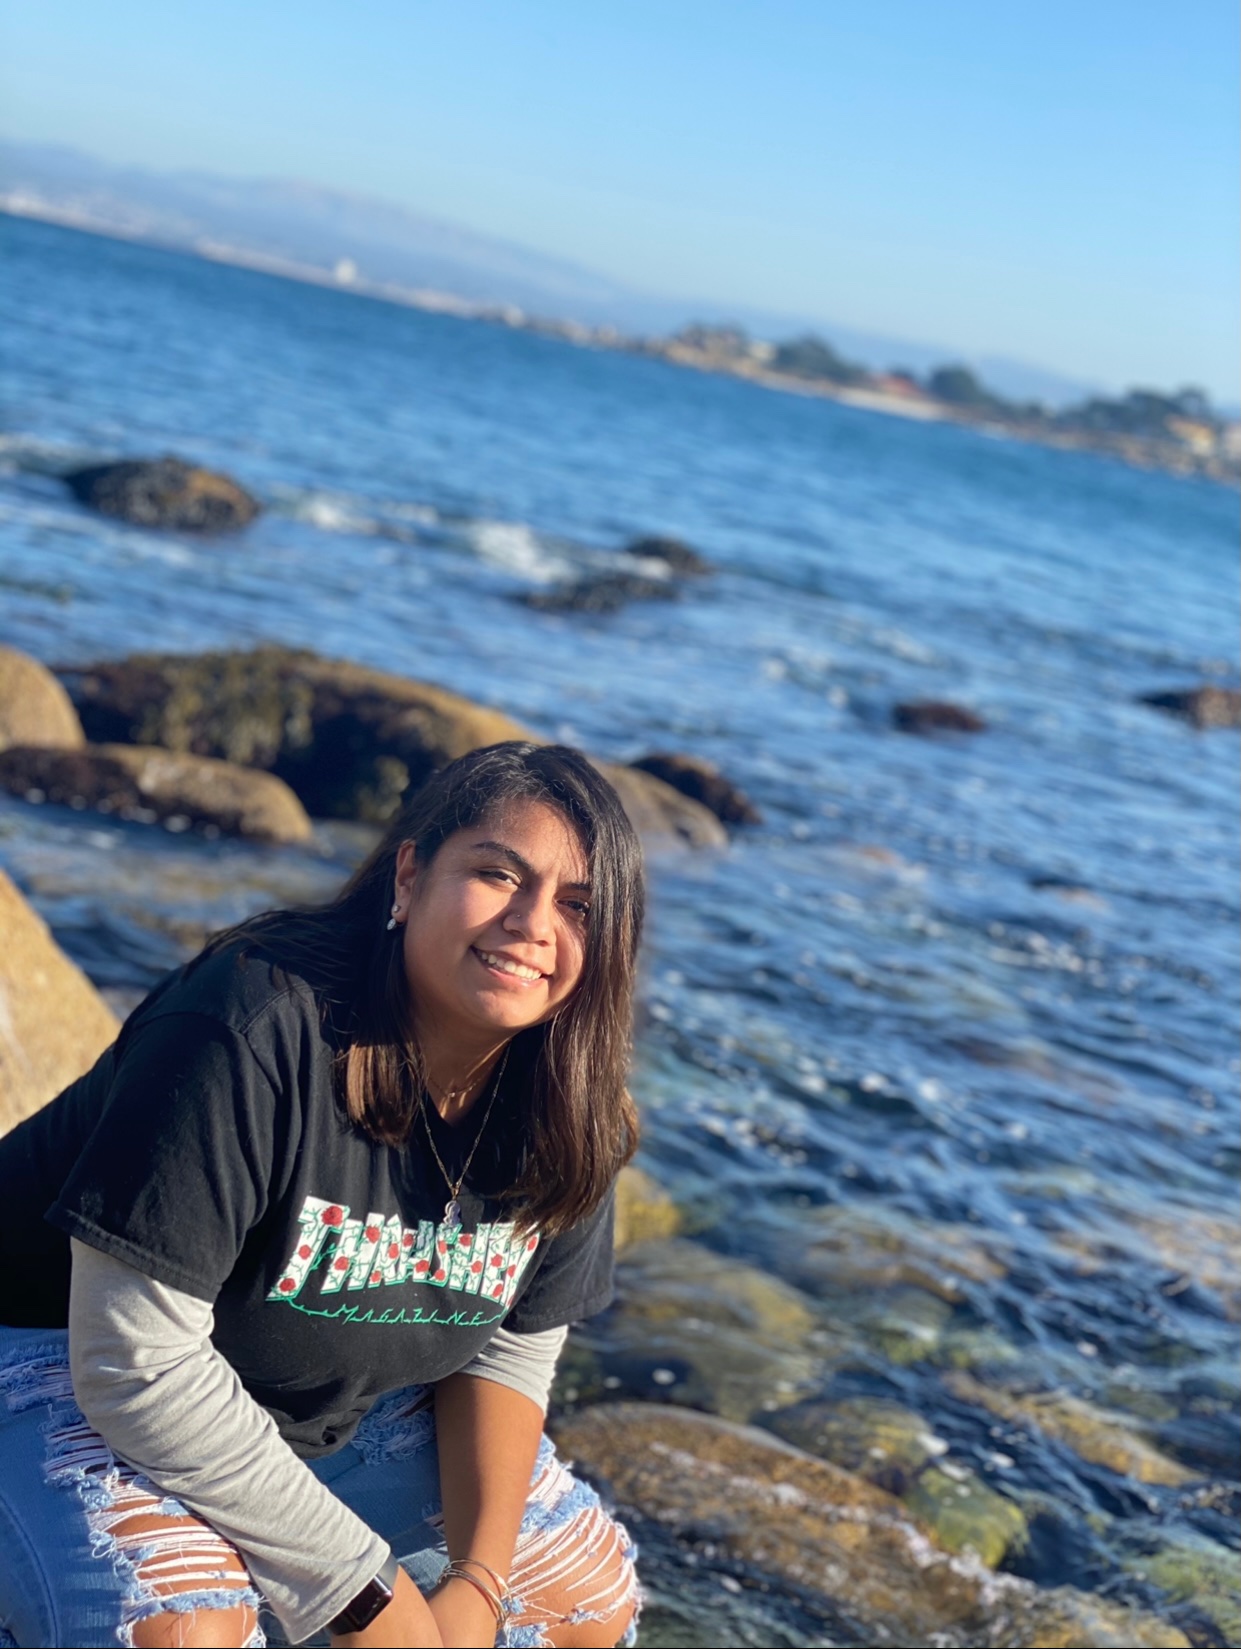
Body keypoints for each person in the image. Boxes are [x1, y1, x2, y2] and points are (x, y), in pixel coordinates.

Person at [0, 742, 644, 1649]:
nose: (533, 924)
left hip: (312, 1416)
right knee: (178, 1627)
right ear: (411, 874)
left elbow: (506, 1358)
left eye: (579, 907)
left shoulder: (570, 1107)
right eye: (498, 874)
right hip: (51, 1362)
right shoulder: (252, 1024)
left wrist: (479, 1587)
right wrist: (359, 1593)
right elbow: (132, 1359)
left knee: (583, 1599)